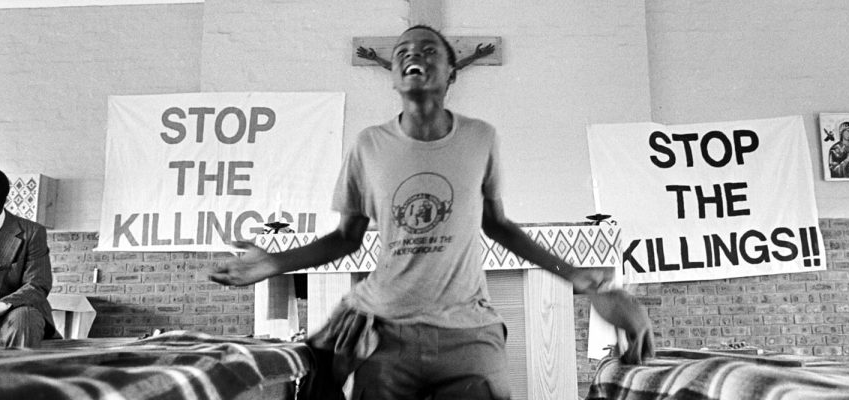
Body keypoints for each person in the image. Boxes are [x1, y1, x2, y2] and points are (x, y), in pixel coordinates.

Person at [210, 25, 654, 400]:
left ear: (451, 71)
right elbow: (346, 238)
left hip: (468, 331)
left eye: (427, 50)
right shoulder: (369, 145)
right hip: (384, 333)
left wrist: (576, 275)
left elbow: (498, 226)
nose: (413, 56)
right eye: (402, 52)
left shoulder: (480, 138)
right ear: (393, 75)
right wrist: (272, 263)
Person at [0, 166, 56, 347]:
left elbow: (37, 285)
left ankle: (16, 374)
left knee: (26, 319)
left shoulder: (32, 232)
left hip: (9, 314)